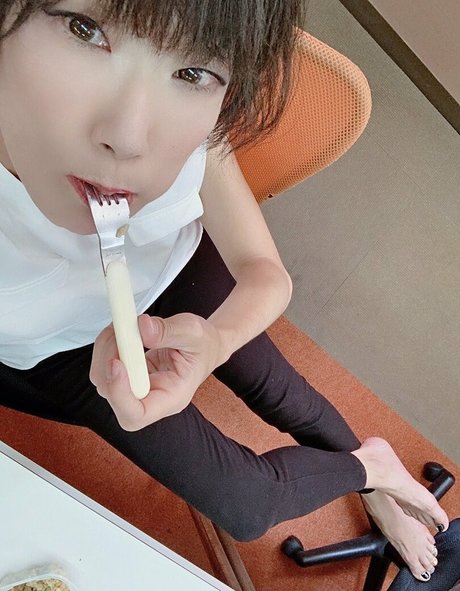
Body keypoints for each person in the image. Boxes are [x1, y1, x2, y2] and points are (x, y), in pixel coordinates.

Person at [0, 0, 449, 583]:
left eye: (193, 71)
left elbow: (266, 272)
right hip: (63, 353)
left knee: (282, 390)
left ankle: (377, 487)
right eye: (84, 29)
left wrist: (217, 342)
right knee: (246, 507)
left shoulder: (194, 132)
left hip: (172, 273)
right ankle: (372, 472)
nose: (130, 138)